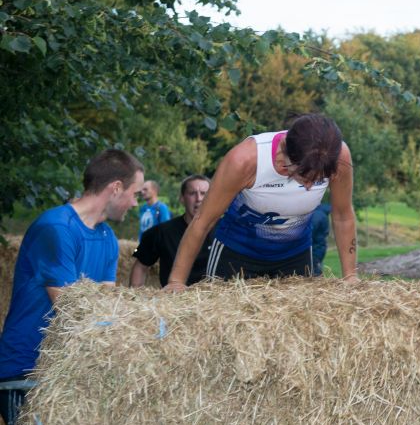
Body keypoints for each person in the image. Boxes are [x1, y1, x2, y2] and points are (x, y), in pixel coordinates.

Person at [0, 149, 144, 425]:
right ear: (116, 188)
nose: (135, 203)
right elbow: (71, 308)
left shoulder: (108, 239)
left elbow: (106, 304)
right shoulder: (55, 228)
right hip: (28, 368)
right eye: (135, 193)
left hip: (69, 371)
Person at [162, 113, 358, 293]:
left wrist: (350, 276)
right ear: (286, 154)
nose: (309, 186)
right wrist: (176, 281)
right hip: (236, 253)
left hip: (295, 254)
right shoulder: (244, 160)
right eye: (305, 177)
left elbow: (342, 216)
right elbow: (202, 221)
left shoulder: (338, 156)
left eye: (319, 180)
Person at [129, 174, 212, 288]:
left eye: (204, 193)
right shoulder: (161, 232)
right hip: (172, 302)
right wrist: (134, 298)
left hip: (214, 302)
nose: (199, 198)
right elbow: (140, 266)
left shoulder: (224, 232)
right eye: (192, 193)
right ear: (182, 198)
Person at [310, 202, 332, 277]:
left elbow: (309, 232)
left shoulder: (316, 215)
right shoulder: (321, 213)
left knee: (314, 268)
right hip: (319, 248)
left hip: (314, 250)